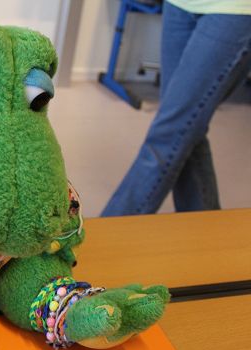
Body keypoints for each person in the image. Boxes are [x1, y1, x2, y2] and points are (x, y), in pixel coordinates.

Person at [102, 0, 251, 216]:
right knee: (186, 128)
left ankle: (109, 230)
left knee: (170, 133)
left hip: (233, 10)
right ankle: (206, 226)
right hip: (179, 5)